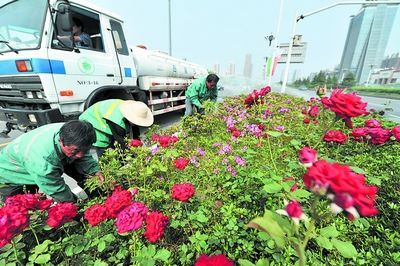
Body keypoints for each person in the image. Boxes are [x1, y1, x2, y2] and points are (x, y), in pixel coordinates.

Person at [0, 121, 103, 203]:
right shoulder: (44, 160)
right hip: (12, 174)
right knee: (25, 212)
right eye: (75, 150)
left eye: (84, 150)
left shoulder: (75, 133)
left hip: (39, 159)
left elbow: (82, 154)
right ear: (60, 140)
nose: (80, 155)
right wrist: (75, 207)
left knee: (86, 173)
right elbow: (58, 191)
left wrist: (95, 171)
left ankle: (99, 197)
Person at [79, 99, 154, 157]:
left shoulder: (129, 108)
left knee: (116, 144)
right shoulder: (117, 121)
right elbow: (121, 142)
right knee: (104, 147)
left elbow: (135, 132)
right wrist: (132, 157)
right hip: (92, 120)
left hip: (105, 114)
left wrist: (138, 146)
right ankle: (105, 170)